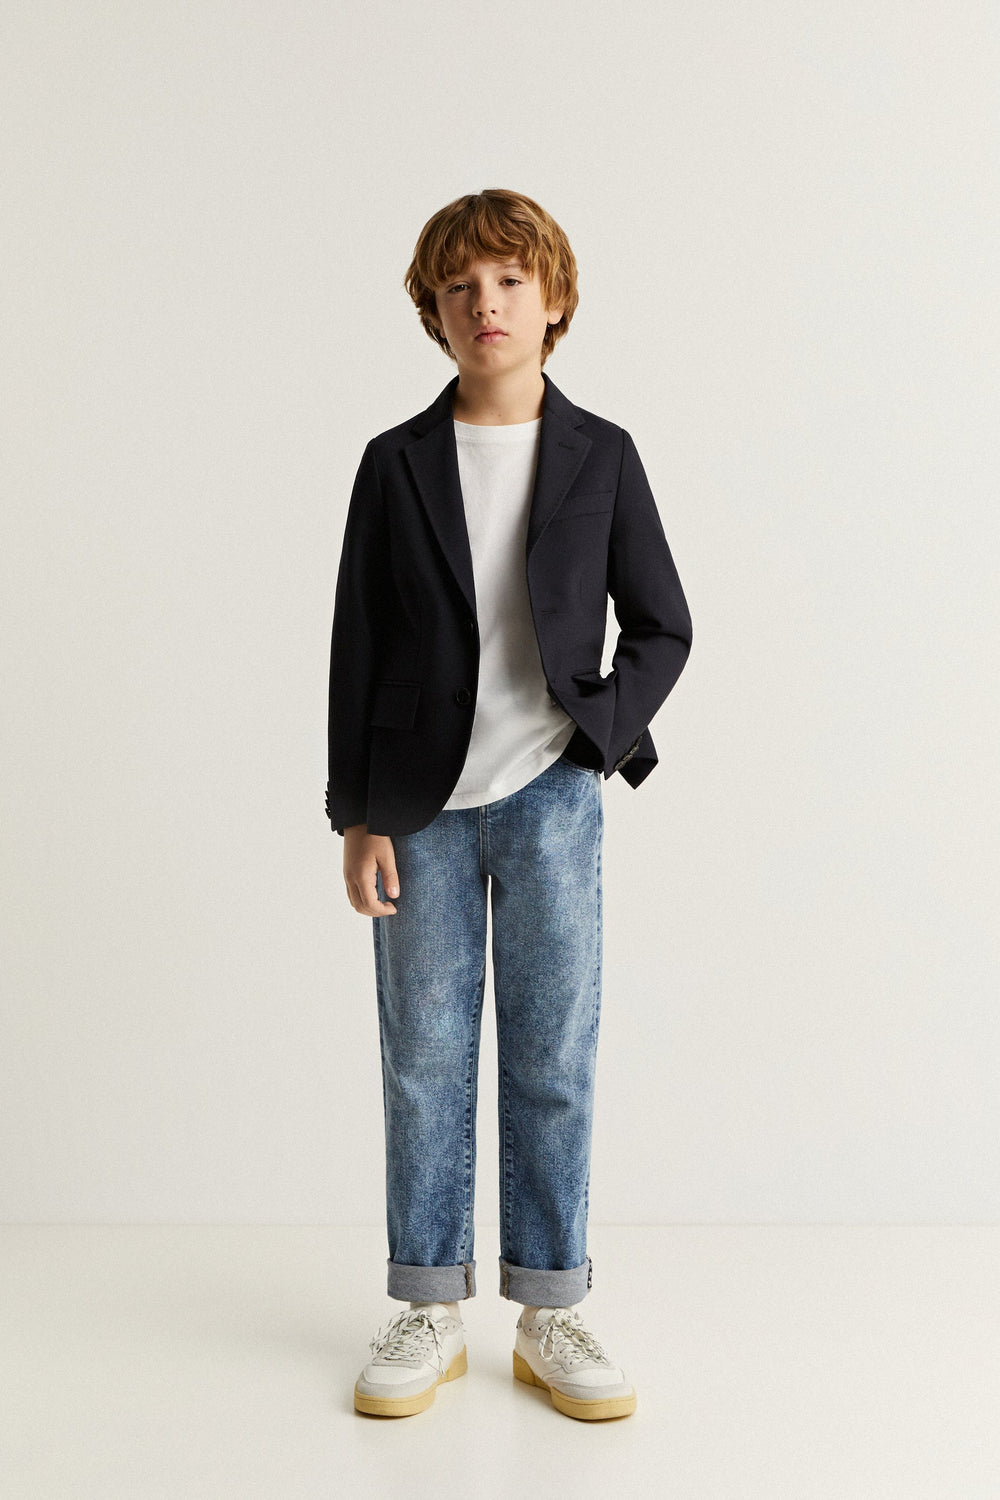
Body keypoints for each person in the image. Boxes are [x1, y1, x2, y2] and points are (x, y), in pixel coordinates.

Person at [326, 189, 693, 1420]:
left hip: (551, 799)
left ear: (553, 302)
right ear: (433, 314)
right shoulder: (395, 463)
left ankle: (550, 1307)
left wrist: (598, 730)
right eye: (459, 286)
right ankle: (428, 1303)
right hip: (415, 807)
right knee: (424, 1058)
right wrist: (354, 814)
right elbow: (357, 644)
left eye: (508, 281)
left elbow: (663, 624)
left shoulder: (602, 455)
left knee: (551, 1057)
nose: (484, 303)